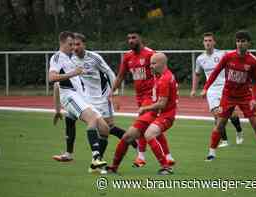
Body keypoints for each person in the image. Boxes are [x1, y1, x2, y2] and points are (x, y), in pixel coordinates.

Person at [52, 33, 138, 173]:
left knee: (108, 128)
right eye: (73, 44)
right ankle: (71, 155)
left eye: (78, 44)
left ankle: (132, 143)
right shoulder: (70, 59)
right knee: (70, 118)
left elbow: (110, 73)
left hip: (101, 97)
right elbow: (62, 81)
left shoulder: (94, 58)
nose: (75, 47)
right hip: (85, 97)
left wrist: (114, 94)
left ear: (84, 44)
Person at [201, 30, 256, 161]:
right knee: (220, 123)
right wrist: (205, 88)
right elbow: (215, 72)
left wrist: (253, 99)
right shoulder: (228, 57)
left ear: (248, 43)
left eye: (243, 41)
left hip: (245, 96)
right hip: (228, 95)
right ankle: (211, 153)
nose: (240, 44)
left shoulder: (253, 61)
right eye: (238, 41)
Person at [110, 28, 175, 167]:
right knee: (150, 127)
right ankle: (167, 157)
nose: (131, 41)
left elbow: (162, 70)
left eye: (134, 37)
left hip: (150, 97)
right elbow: (121, 75)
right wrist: (112, 91)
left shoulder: (150, 54)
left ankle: (141, 157)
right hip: (139, 97)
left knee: (143, 126)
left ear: (140, 38)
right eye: (129, 38)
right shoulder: (127, 57)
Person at [49, 31, 109, 169]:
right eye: (70, 44)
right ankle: (95, 159)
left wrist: (57, 110)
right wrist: (73, 73)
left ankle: (95, 163)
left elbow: (57, 86)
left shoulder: (70, 59)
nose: (73, 47)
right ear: (62, 43)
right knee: (92, 119)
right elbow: (51, 78)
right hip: (70, 96)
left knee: (105, 129)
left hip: (82, 98)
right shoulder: (57, 57)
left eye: (74, 44)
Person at [190, 32, 243, 147]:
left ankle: (239, 131)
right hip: (211, 90)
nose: (208, 43)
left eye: (210, 40)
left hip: (226, 87)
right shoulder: (200, 59)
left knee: (232, 114)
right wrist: (194, 89)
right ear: (203, 43)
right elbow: (197, 74)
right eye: (206, 41)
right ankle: (224, 141)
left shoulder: (222, 54)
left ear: (214, 42)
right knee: (217, 115)